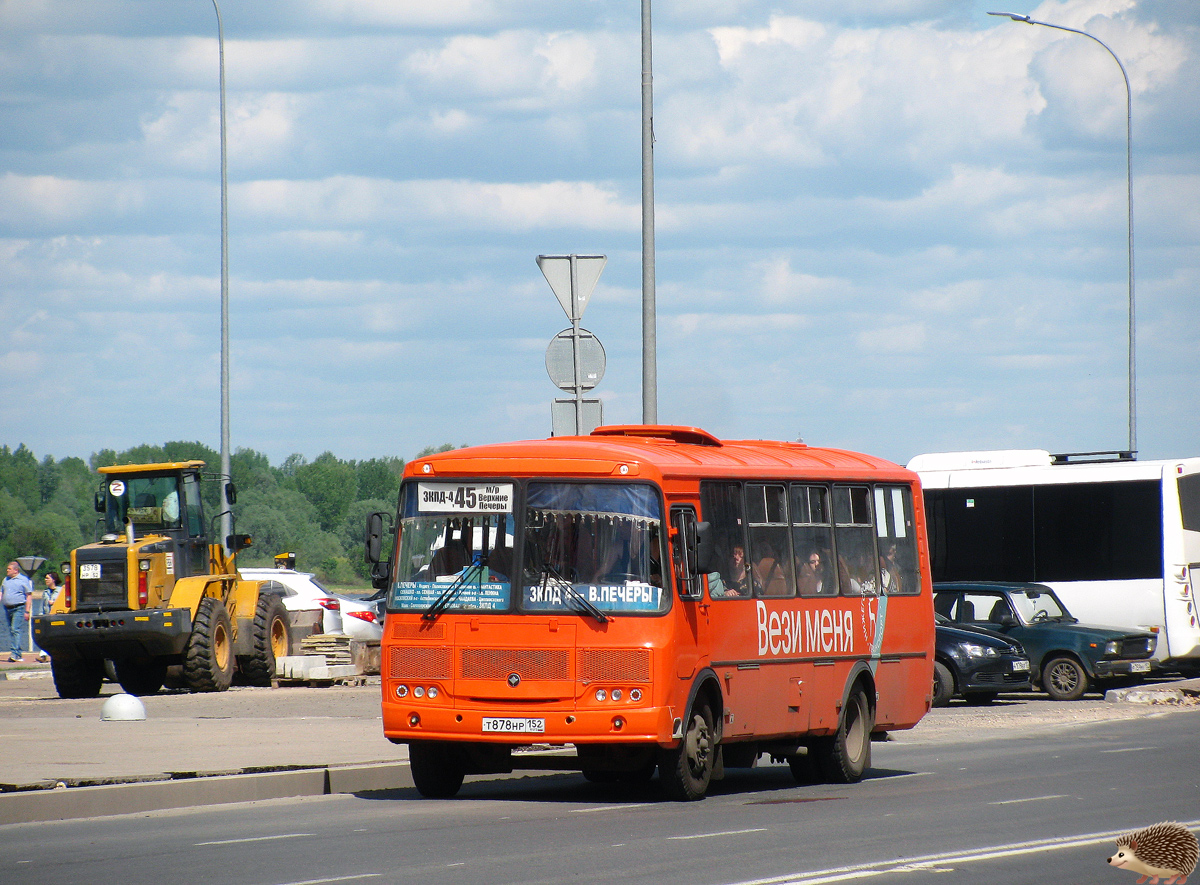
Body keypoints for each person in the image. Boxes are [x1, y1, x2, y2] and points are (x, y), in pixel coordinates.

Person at [2, 562, 33, 663]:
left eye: (9, 569)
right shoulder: (6, 580)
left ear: (16, 570)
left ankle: (15, 654)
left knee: (15, 629)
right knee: (12, 630)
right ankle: (18, 652)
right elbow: (1, 592)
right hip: (7, 608)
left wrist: (27, 611)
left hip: (18, 608)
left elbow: (29, 595)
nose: (7, 570)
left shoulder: (23, 580)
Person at [34, 572, 61, 662]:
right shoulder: (45, 592)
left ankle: (48, 655)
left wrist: (55, 603)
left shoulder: (61, 591)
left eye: (47, 578)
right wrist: (40, 617)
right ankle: (43, 656)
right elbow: (42, 606)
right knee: (46, 637)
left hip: (57, 618)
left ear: (54, 580)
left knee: (56, 638)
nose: (45, 580)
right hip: (47, 618)